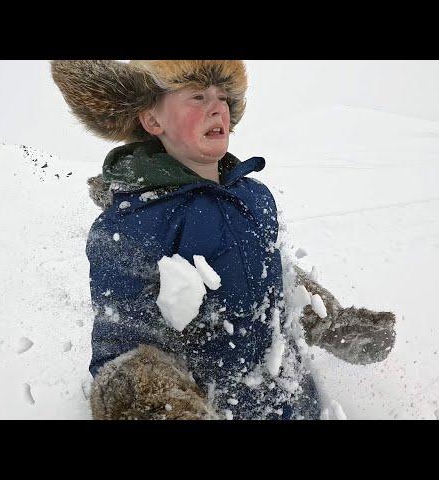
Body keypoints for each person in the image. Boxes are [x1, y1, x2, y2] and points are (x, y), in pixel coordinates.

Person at [51, 60, 396, 420]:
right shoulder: (131, 226)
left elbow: (275, 276)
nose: (217, 107)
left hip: (299, 405)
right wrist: (161, 410)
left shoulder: (254, 196)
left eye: (223, 97)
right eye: (198, 96)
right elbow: (126, 352)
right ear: (153, 121)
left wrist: (331, 322)